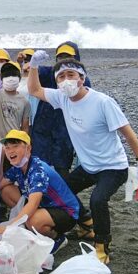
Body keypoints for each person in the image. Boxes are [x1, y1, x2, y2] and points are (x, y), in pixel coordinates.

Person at [27, 56, 138, 264]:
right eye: (61, 77)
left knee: (98, 200)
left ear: (82, 78)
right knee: (61, 190)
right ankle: (86, 224)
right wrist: (32, 67)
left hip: (113, 166)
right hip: (88, 166)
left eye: (71, 75)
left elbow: (127, 132)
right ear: (57, 81)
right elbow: (34, 90)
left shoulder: (102, 102)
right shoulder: (62, 98)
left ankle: (102, 248)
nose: (66, 80)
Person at [0, 130, 79, 253]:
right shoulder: (18, 167)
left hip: (66, 212)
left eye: (15, 146)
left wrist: (9, 227)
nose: (10, 151)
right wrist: (0, 159)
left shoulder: (38, 170)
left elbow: (33, 203)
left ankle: (57, 237)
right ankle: (31, 226)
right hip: (44, 206)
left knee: (32, 220)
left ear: (28, 148)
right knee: (6, 191)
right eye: (7, 148)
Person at [28, 41, 92, 178]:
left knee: (62, 167)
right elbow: (32, 79)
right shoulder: (49, 73)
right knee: (39, 164)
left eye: (69, 57)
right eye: (61, 57)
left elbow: (86, 106)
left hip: (65, 128)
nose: (64, 61)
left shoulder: (83, 81)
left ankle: (62, 197)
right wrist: (33, 65)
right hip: (43, 126)